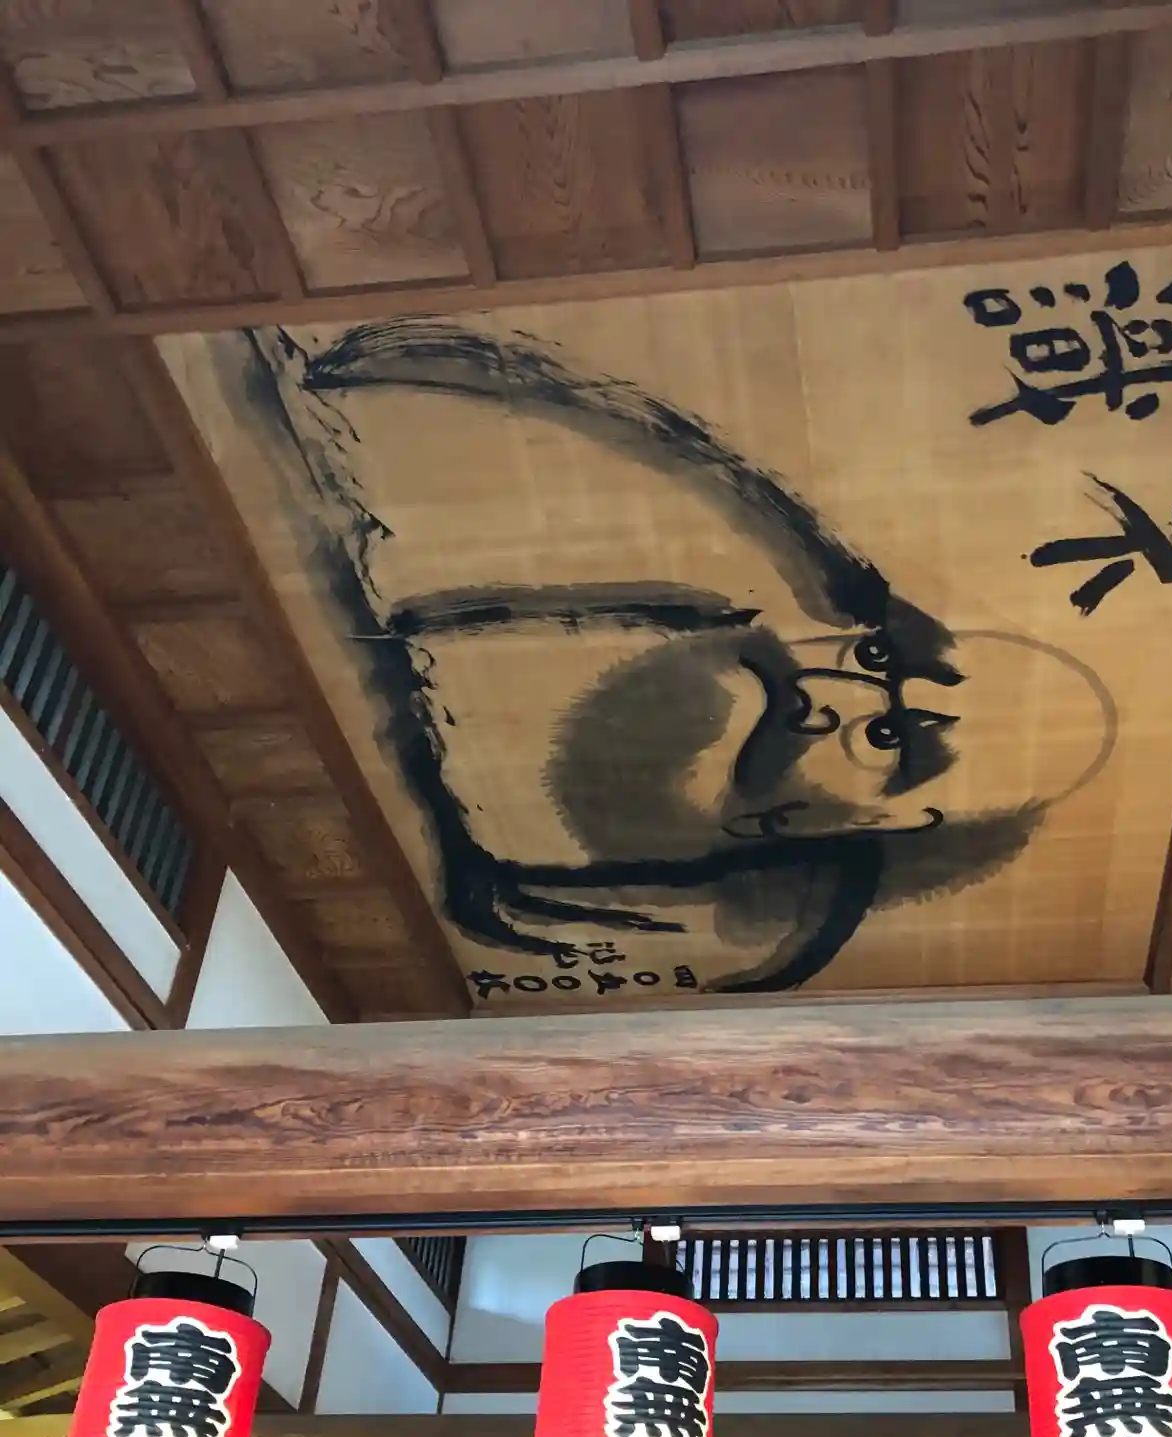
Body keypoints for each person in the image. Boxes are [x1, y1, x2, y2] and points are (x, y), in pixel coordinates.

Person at [229, 319, 1116, 996]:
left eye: (888, 740)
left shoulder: (618, 899)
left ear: (858, 829)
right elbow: (324, 392)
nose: (834, 695)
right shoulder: (680, 522)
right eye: (881, 656)